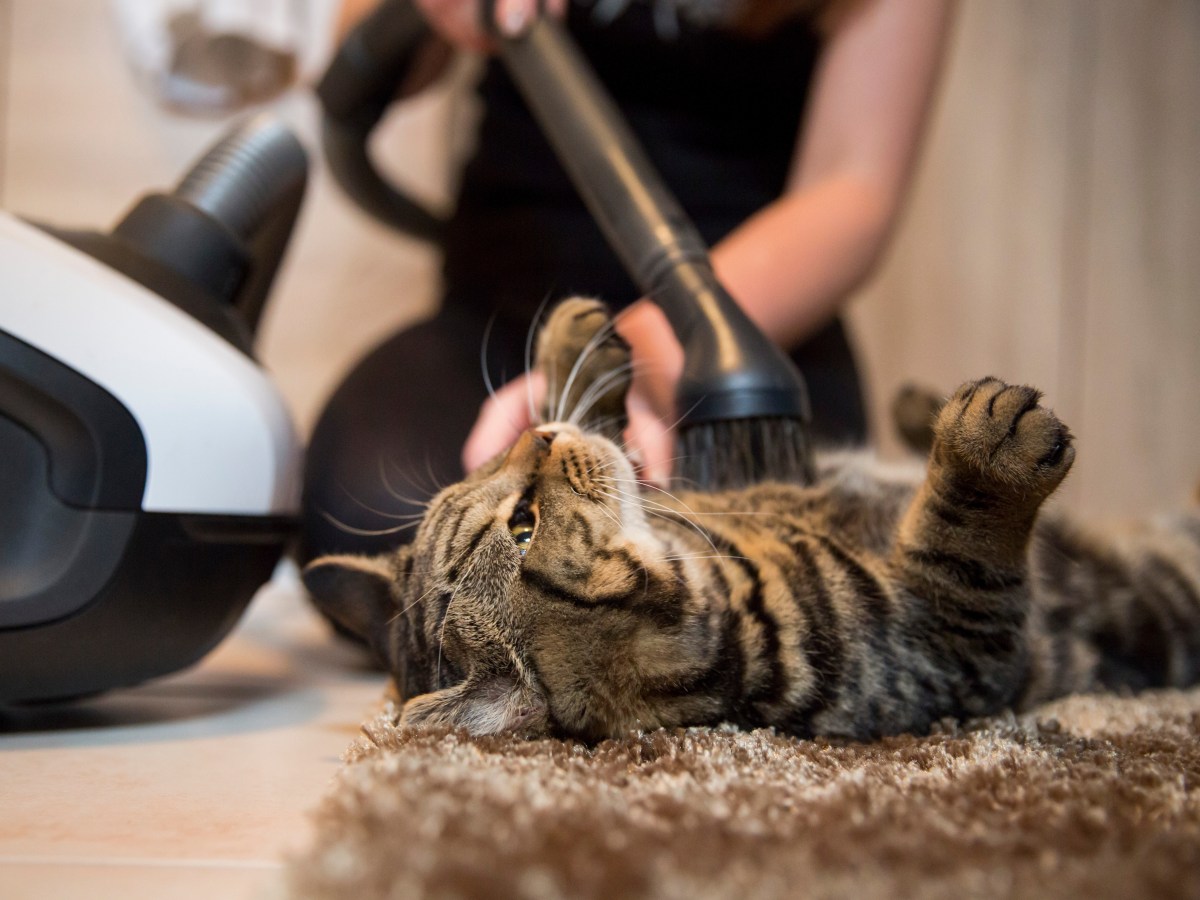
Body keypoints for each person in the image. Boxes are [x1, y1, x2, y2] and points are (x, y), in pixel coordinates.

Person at [301, 0, 954, 559]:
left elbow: (853, 190)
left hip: (738, 325)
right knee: (376, 517)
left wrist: (635, 357)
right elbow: (362, 52)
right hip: (508, 305)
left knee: (778, 573)